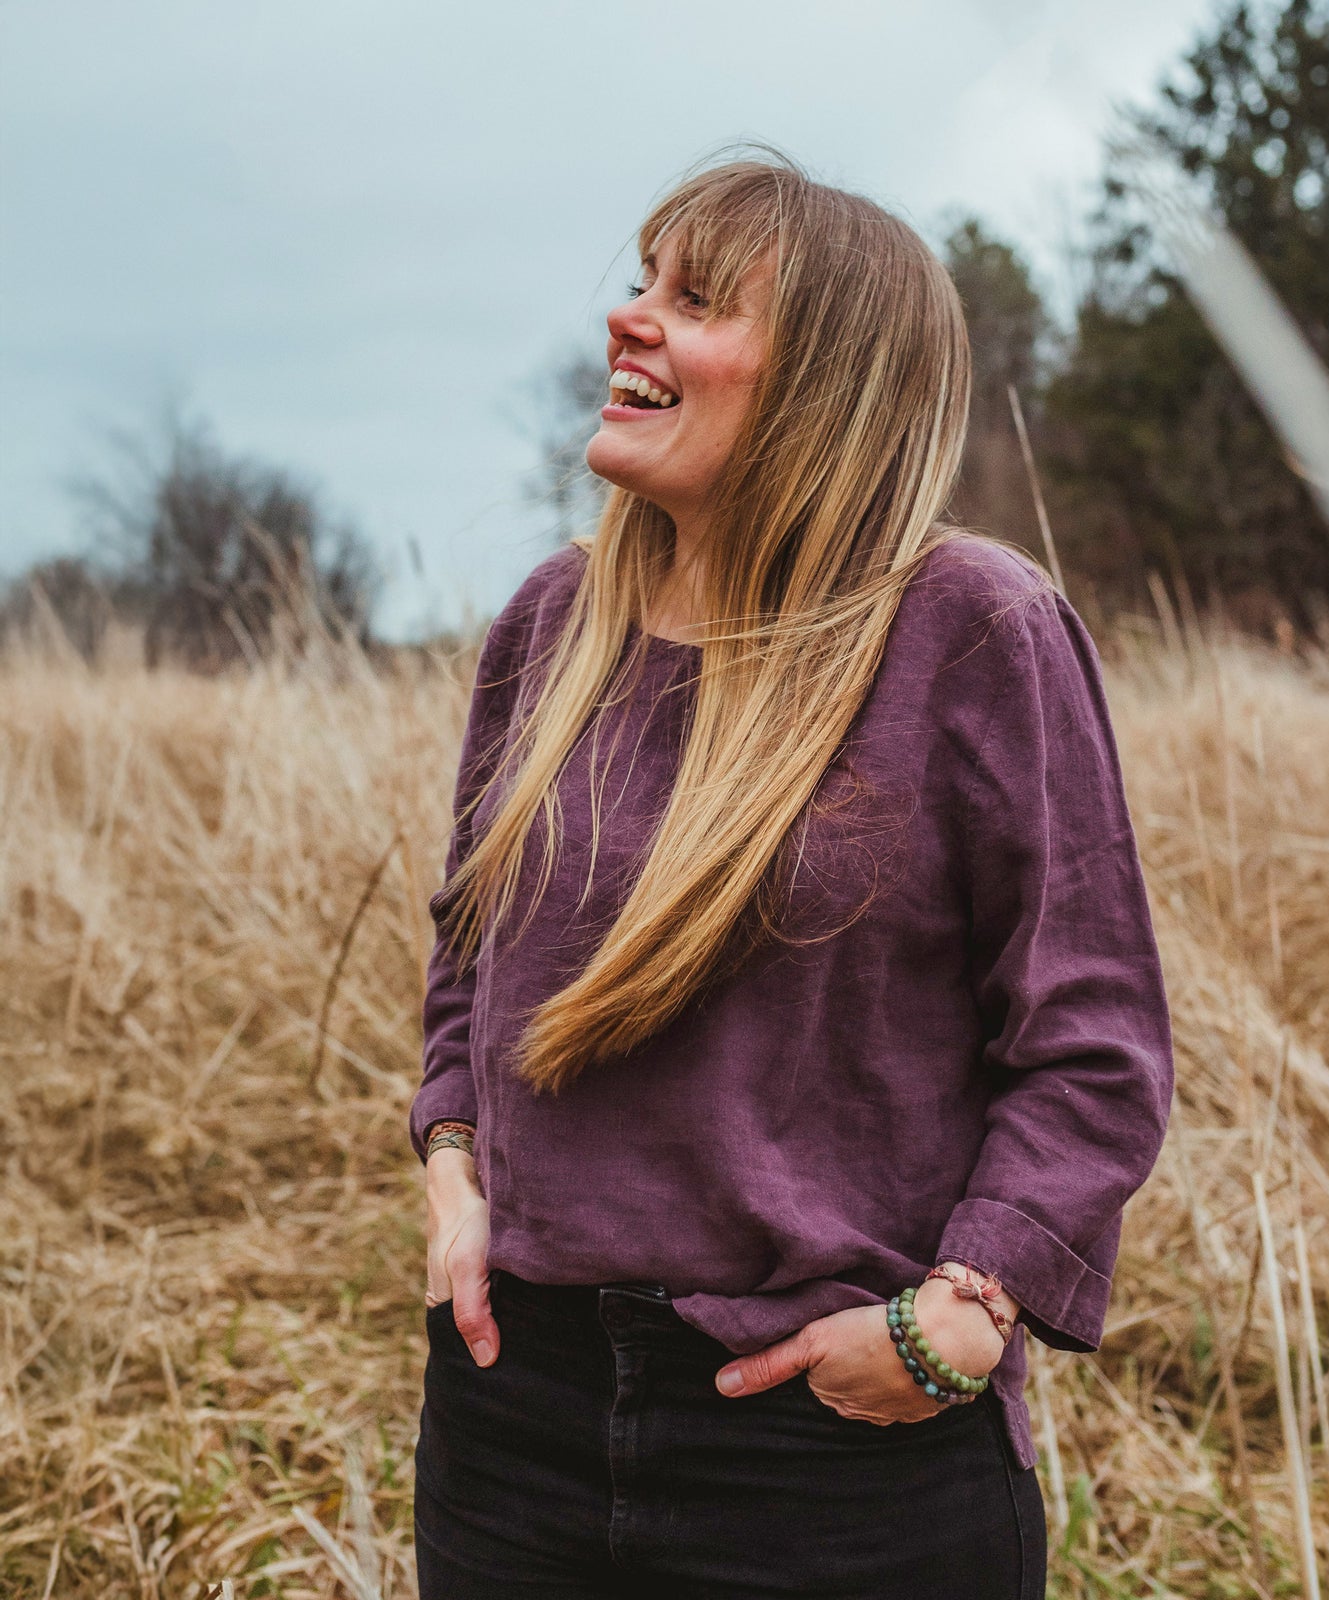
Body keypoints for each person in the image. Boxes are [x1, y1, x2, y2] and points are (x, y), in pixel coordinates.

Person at [409, 149, 1173, 1600]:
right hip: (516, 1421)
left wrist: (966, 1313)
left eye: (698, 299)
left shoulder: (972, 628)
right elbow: (468, 955)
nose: (631, 317)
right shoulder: (553, 623)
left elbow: (1094, 1040)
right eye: (645, 282)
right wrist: (454, 1169)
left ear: (827, 381)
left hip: (836, 1450)